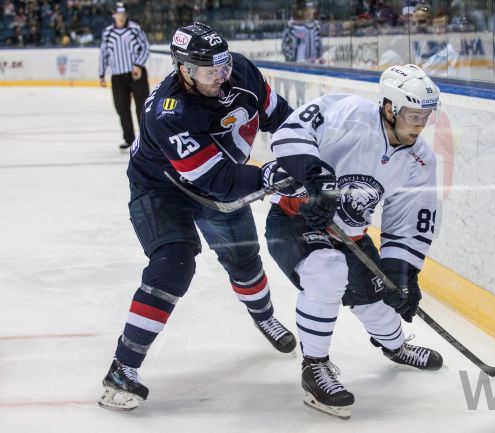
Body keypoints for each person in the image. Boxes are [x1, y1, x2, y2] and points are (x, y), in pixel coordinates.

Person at [98, 22, 296, 411]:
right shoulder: (168, 112)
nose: (222, 78)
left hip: (216, 182)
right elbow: (218, 181)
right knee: (173, 264)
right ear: (183, 69)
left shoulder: (241, 71)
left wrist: (302, 159)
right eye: (210, 72)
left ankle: (265, 317)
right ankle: (123, 367)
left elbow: (284, 120)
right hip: (161, 191)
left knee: (243, 260)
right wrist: (271, 176)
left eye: (223, 67)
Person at [263, 64, 444, 420]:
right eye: (412, 115)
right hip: (295, 218)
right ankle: (314, 367)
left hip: (352, 236)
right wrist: (315, 179)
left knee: (378, 300)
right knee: (326, 274)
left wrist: (402, 273)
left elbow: (409, 220)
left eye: (426, 117)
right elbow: (289, 133)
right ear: (390, 108)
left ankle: (395, 347)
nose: (420, 125)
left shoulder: (420, 160)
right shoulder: (348, 113)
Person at [98, 2, 150, 150]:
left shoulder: (135, 29)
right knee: (121, 108)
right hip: (118, 76)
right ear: (114, 15)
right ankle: (129, 139)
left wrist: (138, 65)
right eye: (118, 14)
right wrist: (101, 74)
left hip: (136, 73)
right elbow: (103, 54)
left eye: (122, 14)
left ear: (126, 15)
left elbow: (145, 47)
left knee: (143, 107)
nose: (120, 17)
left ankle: (146, 139)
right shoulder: (107, 33)